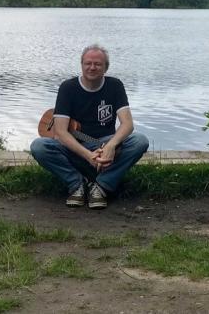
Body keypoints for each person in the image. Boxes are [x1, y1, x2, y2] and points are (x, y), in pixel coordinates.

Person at [30, 44, 149, 209]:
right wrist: (88, 156)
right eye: (88, 63)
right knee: (39, 146)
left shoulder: (115, 86)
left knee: (139, 141)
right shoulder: (68, 88)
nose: (92, 67)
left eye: (97, 64)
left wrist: (111, 146)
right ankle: (77, 184)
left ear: (105, 68)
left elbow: (128, 124)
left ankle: (100, 186)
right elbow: (61, 132)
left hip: (104, 144)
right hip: (75, 147)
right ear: (82, 65)